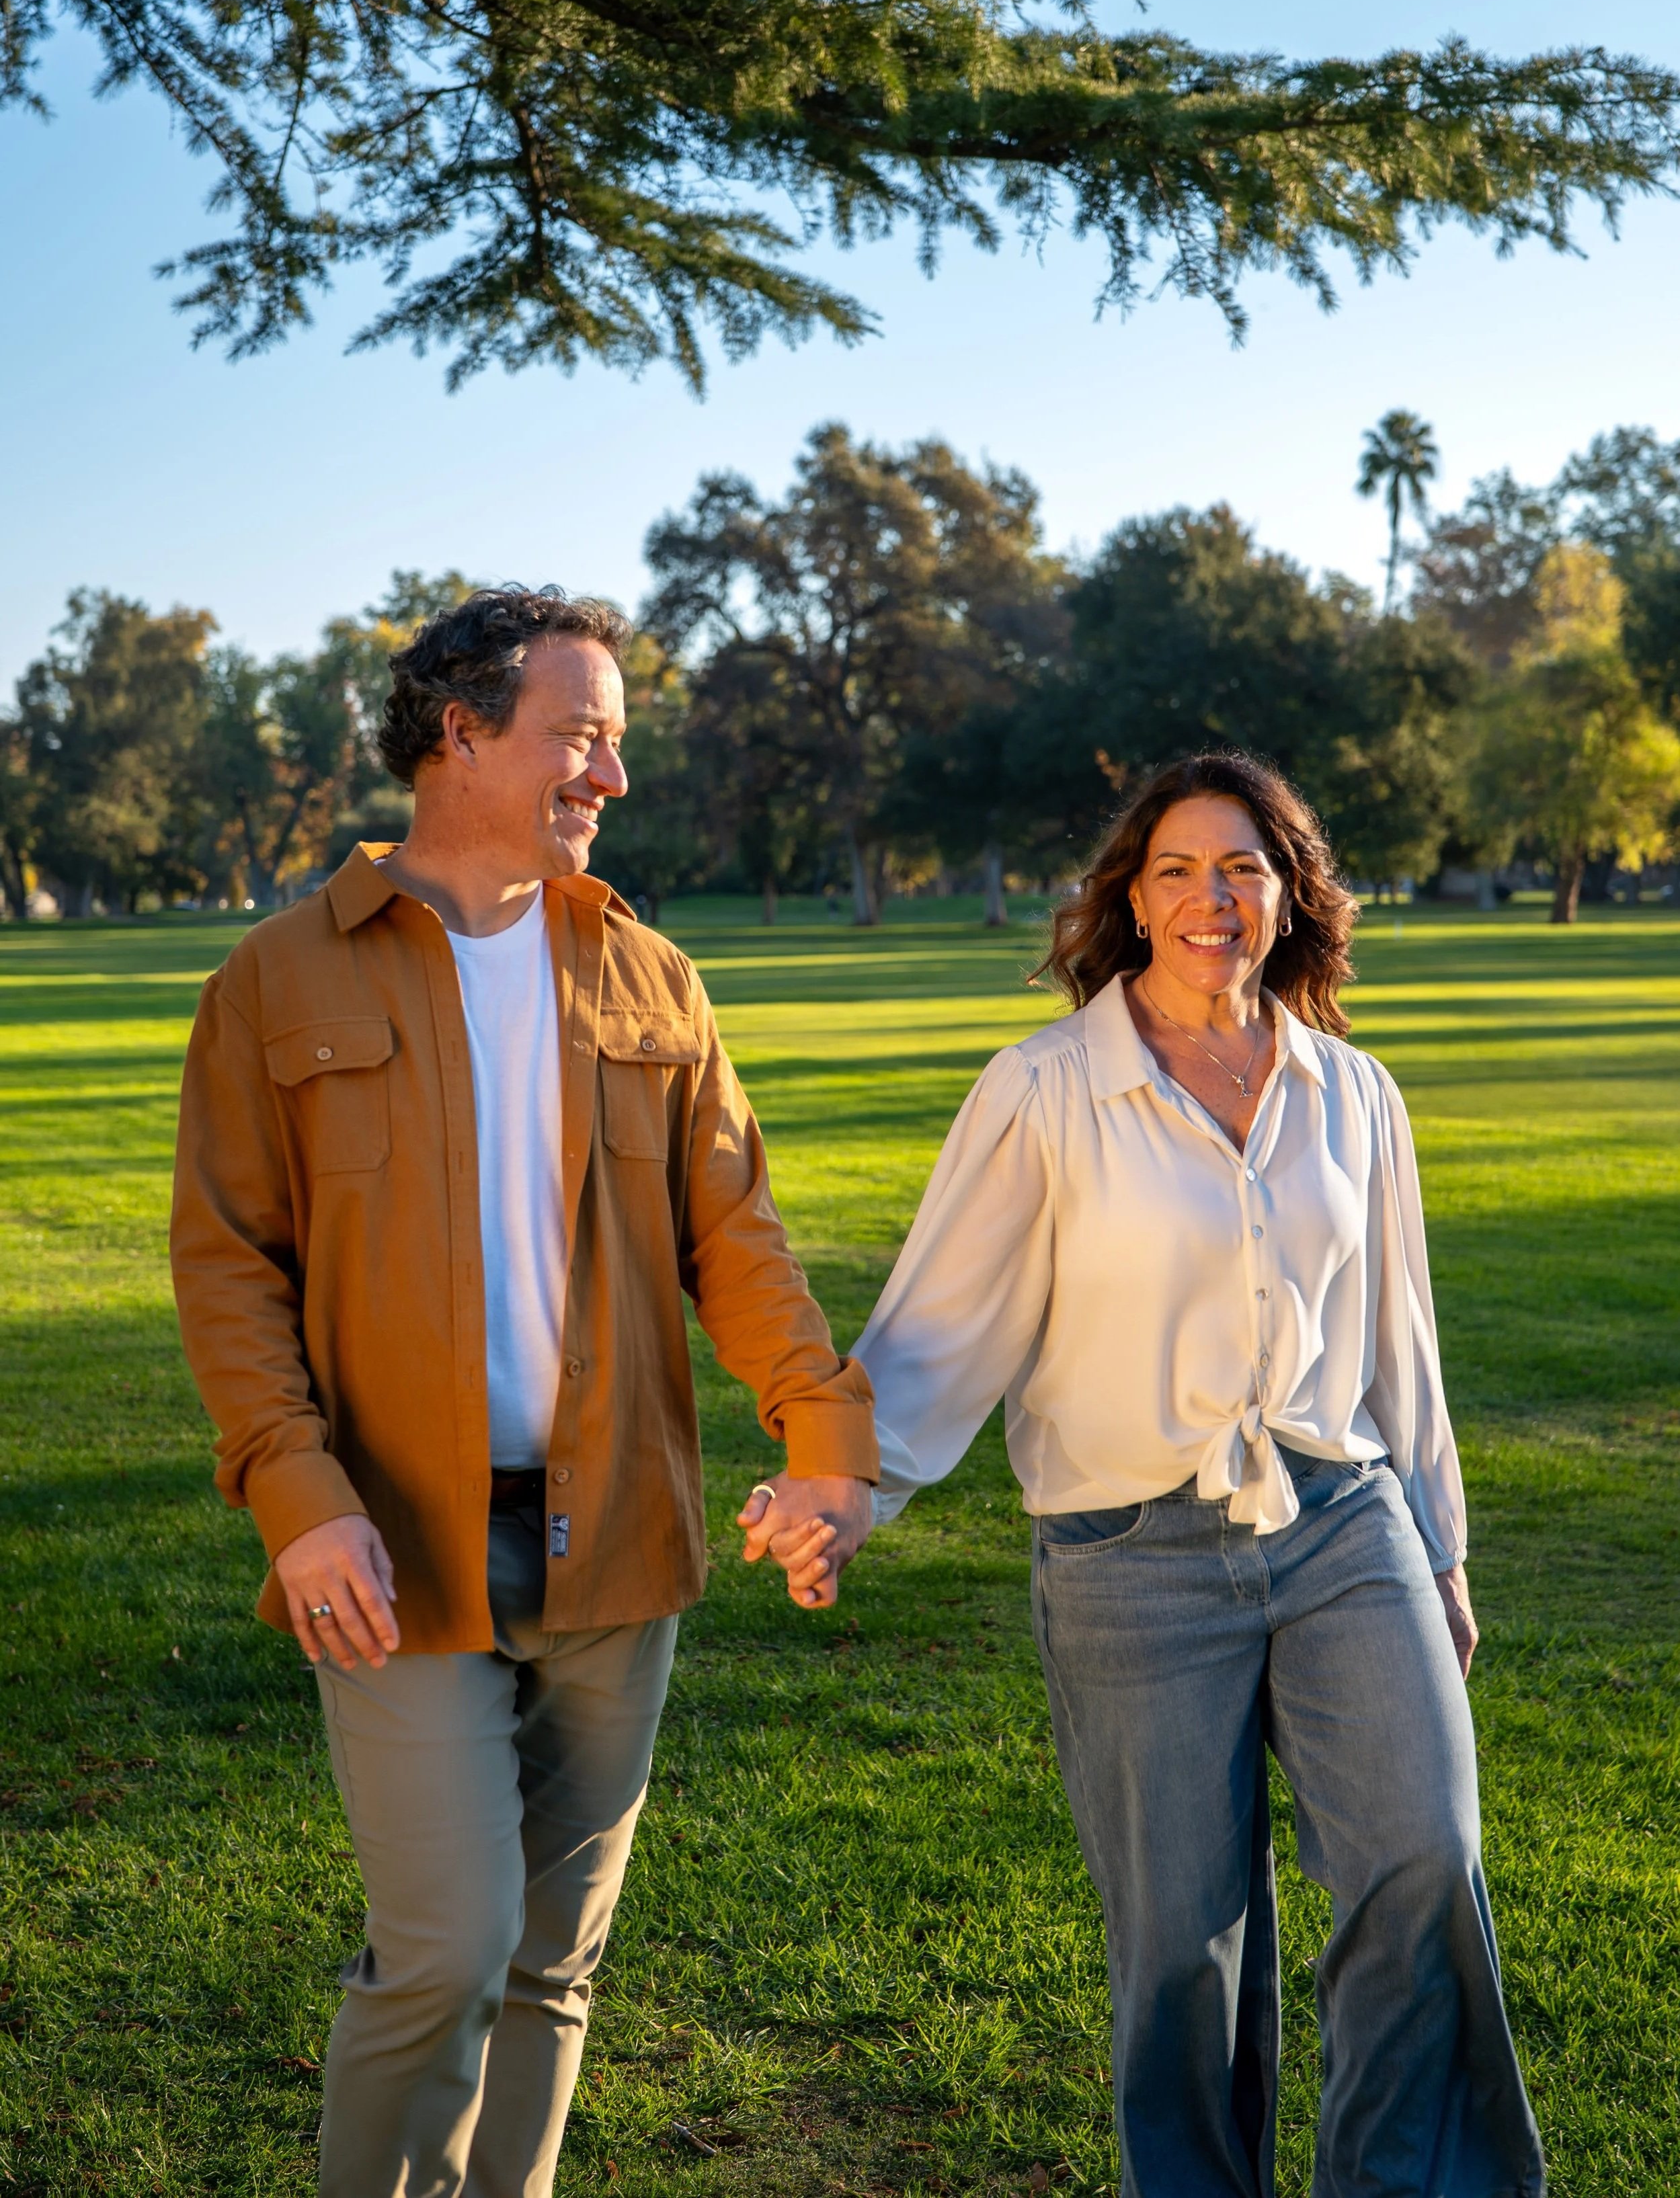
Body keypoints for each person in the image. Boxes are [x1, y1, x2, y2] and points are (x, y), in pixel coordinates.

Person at [169, 587, 876, 2198]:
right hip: (391, 1550)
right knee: (447, 1951)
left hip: (614, 1540)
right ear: (460, 734)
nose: (608, 778)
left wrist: (824, 1440)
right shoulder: (276, 982)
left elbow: (738, 1240)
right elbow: (227, 1269)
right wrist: (299, 1500)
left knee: (554, 1963)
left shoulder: (649, 976)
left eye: (614, 745)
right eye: (580, 737)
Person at [844, 751, 1544, 2197]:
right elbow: (934, 1325)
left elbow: (1394, 1338)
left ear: (1288, 896)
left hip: (1343, 1525)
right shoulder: (1044, 1089)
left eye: (1241, 868)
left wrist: (1441, 1549)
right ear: (1130, 896)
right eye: (1175, 869)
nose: (1208, 898)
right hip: (1127, 1557)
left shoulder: (1351, 1091)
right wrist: (845, 1486)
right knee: (1181, 1942)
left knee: (1423, 1860)